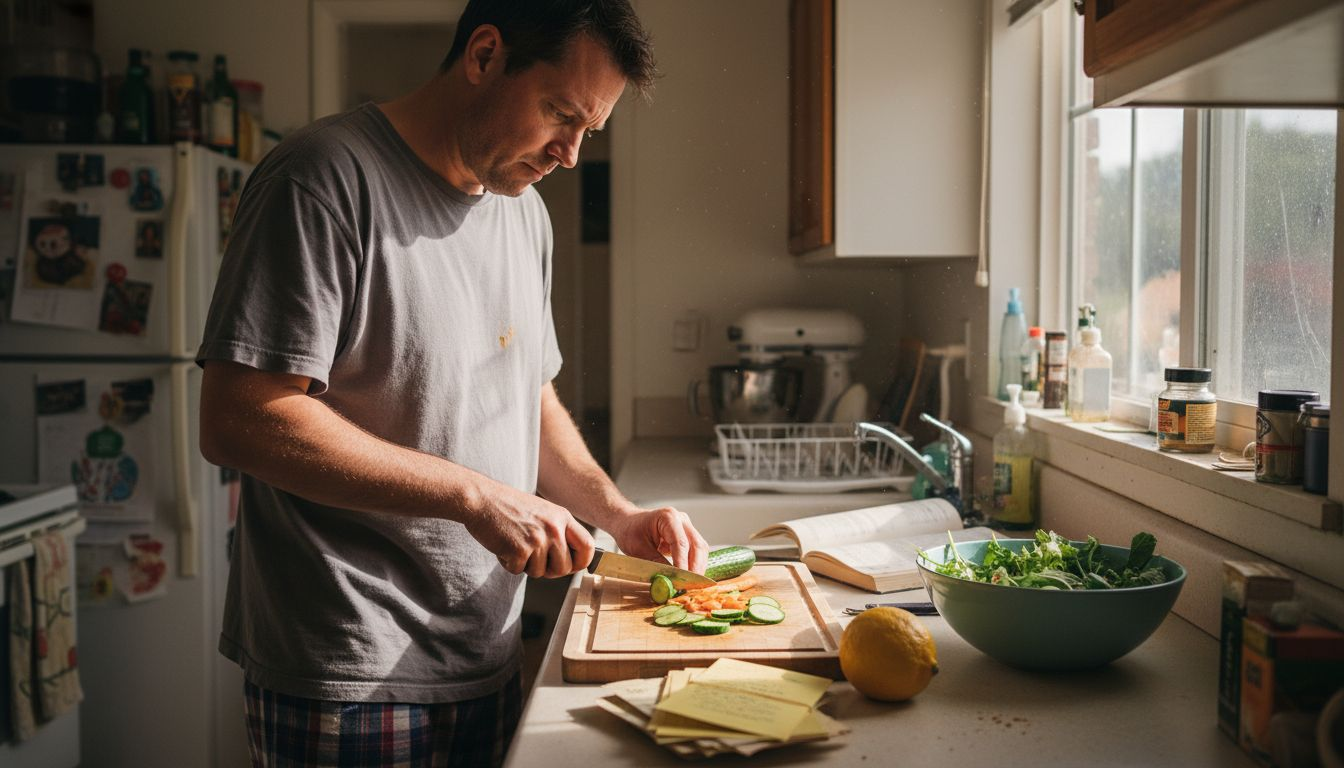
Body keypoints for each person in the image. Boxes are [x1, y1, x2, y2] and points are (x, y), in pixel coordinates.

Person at [195, 2, 708, 766]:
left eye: (588, 133)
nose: (570, 154)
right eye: (560, 115)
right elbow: (240, 417)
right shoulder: (323, 179)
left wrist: (618, 516)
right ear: (484, 55)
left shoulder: (523, 212)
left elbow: (524, 398)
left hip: (486, 653)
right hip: (350, 667)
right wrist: (474, 496)